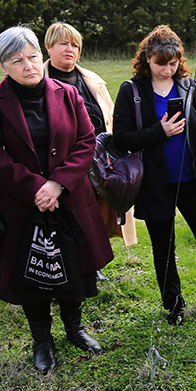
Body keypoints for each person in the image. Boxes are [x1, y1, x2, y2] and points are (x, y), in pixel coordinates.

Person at [0, 26, 113, 373]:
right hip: (21, 203)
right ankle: (42, 340)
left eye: (33, 57)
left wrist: (58, 184)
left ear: (41, 56)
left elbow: (86, 141)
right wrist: (37, 187)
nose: (28, 65)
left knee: (75, 265)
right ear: (3, 66)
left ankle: (75, 328)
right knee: (28, 274)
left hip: (69, 198)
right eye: (17, 60)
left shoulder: (67, 94)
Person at [112, 26, 196, 325]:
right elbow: (121, 138)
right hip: (154, 182)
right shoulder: (132, 91)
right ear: (147, 59)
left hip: (193, 179)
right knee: (164, 247)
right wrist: (158, 132)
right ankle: (174, 305)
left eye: (173, 63)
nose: (167, 70)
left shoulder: (189, 87)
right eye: (161, 63)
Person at [44, 22, 137, 251]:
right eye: (63, 43)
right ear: (48, 47)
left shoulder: (93, 82)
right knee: (65, 213)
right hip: (60, 163)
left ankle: (92, 263)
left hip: (97, 161)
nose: (70, 49)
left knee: (96, 214)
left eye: (75, 45)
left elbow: (112, 120)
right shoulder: (38, 83)